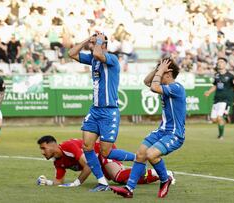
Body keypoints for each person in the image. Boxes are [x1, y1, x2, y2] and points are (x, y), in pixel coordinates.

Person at [68, 32, 135, 192]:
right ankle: (102, 182)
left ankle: (138, 157)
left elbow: (98, 52)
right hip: (95, 111)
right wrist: (86, 39)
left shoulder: (111, 58)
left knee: (106, 152)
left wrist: (98, 40)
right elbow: (71, 53)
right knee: (87, 146)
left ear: (103, 44)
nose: (92, 45)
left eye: (95, 42)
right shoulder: (93, 59)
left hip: (109, 112)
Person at [110, 58, 185, 198]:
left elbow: (153, 87)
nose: (159, 74)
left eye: (162, 73)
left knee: (151, 154)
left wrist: (161, 70)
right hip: (162, 131)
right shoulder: (167, 86)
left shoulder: (177, 87)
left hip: (175, 134)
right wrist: (158, 69)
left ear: (168, 74)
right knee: (140, 154)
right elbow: (146, 81)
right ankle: (129, 189)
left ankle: (165, 179)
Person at [36, 135, 172, 186]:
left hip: (103, 151)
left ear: (53, 145)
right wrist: (46, 182)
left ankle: (140, 159)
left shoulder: (68, 146)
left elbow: (88, 165)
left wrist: (77, 182)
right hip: (98, 161)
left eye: (44, 148)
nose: (42, 152)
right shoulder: (57, 162)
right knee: (122, 180)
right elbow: (59, 181)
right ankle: (160, 175)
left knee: (117, 176)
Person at [204, 57, 234, 139]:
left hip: (226, 99)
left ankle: (221, 135)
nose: (220, 63)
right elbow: (215, 86)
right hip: (217, 99)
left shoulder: (230, 76)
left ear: (225, 64)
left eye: (222, 62)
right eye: (218, 62)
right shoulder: (216, 75)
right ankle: (225, 117)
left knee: (219, 117)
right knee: (213, 119)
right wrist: (209, 92)